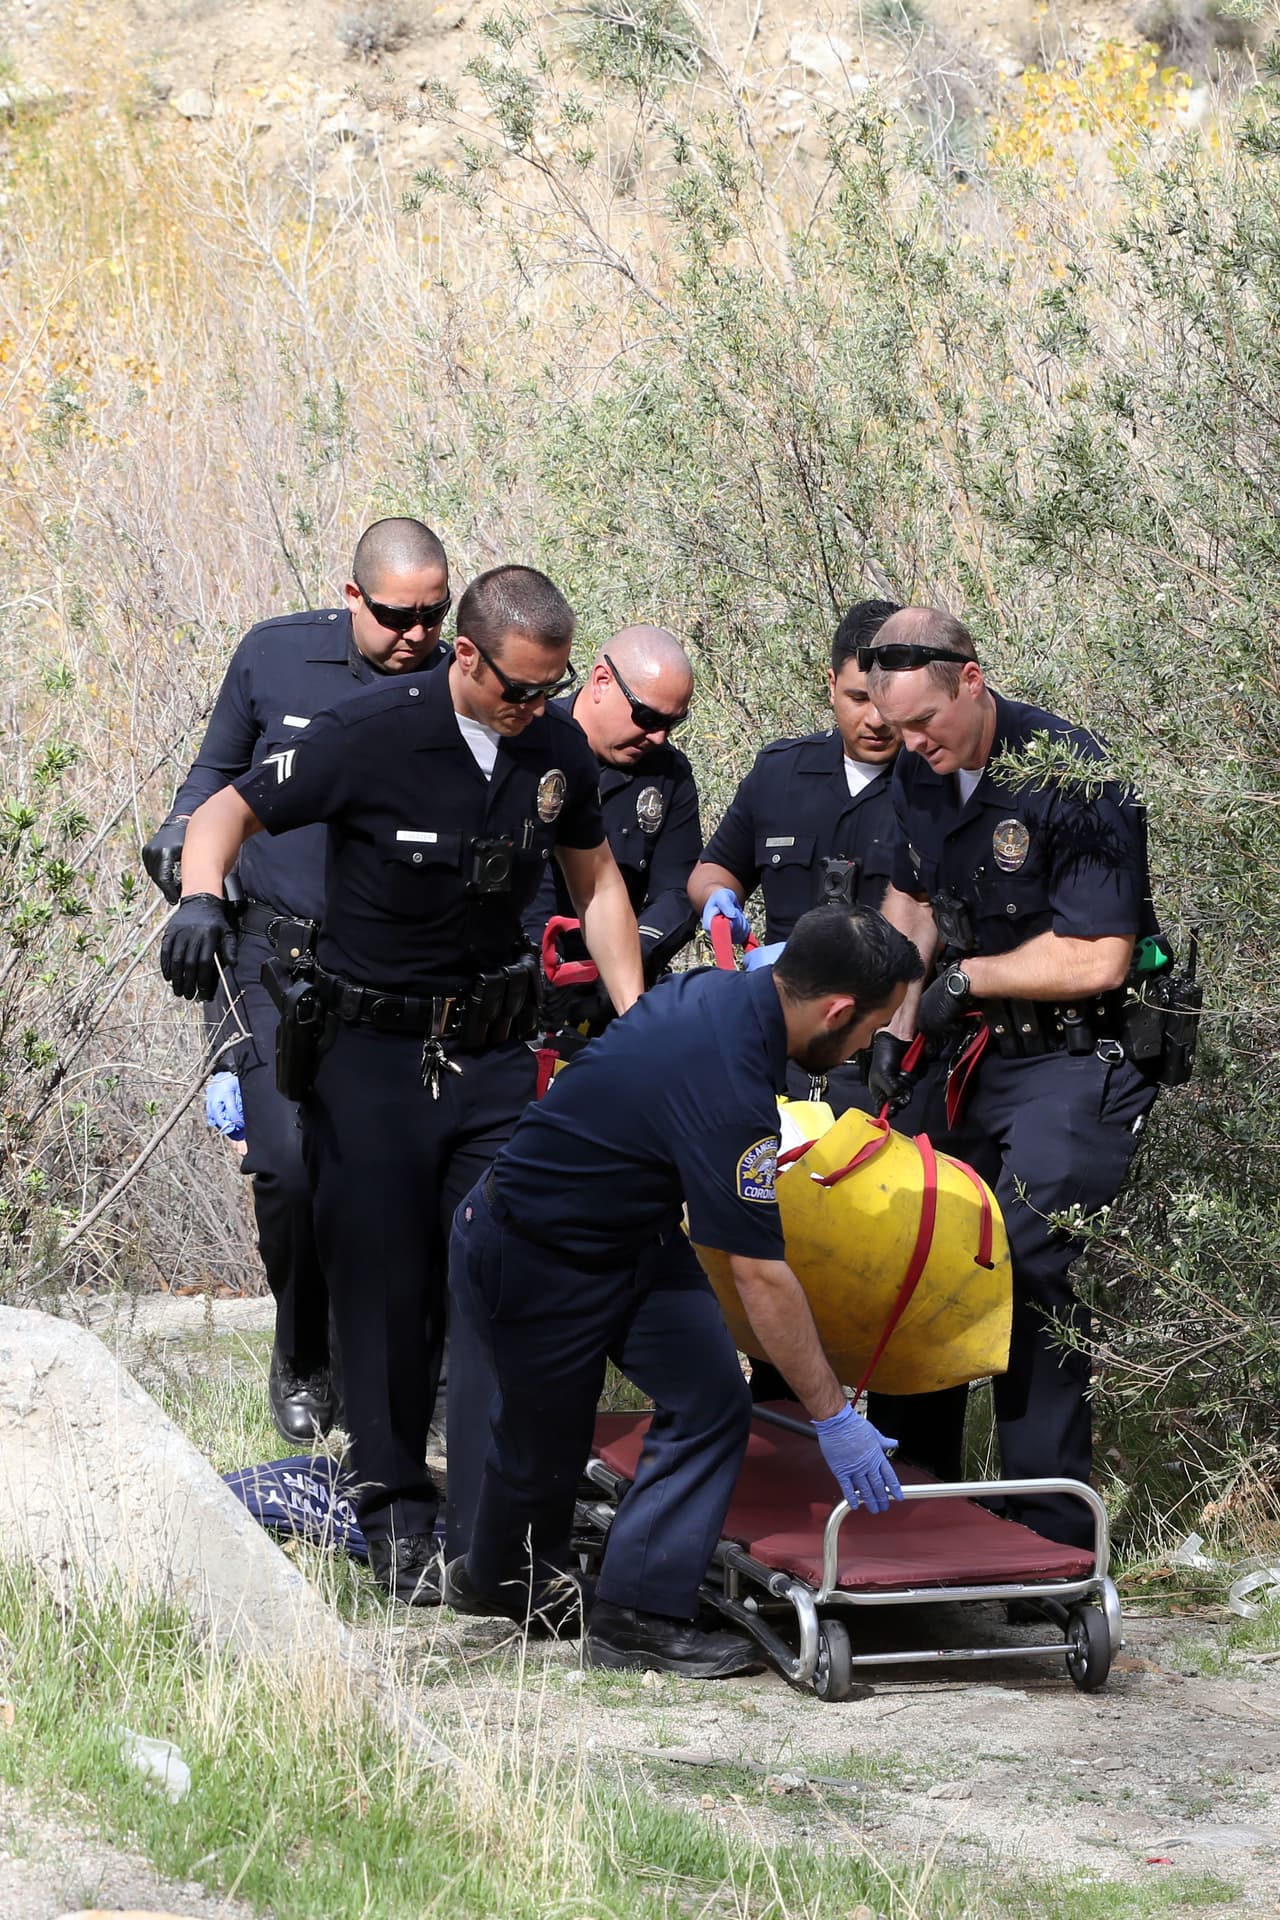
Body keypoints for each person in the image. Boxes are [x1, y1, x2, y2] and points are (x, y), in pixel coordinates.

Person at [157, 564, 646, 1605]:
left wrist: (638, 1018)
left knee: (499, 1276)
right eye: (516, 688)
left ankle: (492, 1527)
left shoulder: (551, 747)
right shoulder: (367, 730)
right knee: (383, 1290)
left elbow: (593, 879)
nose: (534, 710)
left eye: (550, 691)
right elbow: (223, 812)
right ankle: (394, 1516)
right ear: (464, 655)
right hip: (369, 1056)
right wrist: (201, 901)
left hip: (490, 1053)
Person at [444, 906, 924, 1676]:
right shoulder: (728, 1073)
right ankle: (501, 1578)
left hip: (633, 1236)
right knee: (543, 1444)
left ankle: (636, 1614)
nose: (871, 1043)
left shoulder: (742, 994)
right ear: (837, 1010)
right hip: (535, 1248)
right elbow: (760, 1274)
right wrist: (834, 1416)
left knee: (709, 1401)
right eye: (872, 1025)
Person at [142, 517, 453, 1442]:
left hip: (399, 964)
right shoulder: (276, 658)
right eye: (398, 615)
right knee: (285, 1167)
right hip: (272, 959)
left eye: (434, 615)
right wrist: (187, 872)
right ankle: (301, 1345)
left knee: (399, 1174)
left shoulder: (457, 680)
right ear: (354, 596)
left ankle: (403, 1373)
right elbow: (206, 783)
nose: (417, 635)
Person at [865, 606, 1162, 1546]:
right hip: (965, 1057)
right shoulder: (921, 769)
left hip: (1071, 1061)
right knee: (923, 1251)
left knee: (1026, 1270)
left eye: (926, 726)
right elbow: (911, 904)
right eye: (898, 730)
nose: (913, 746)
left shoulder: (1070, 775)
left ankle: (1047, 1541)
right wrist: (888, 1022)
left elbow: (1101, 957)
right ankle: (915, 1507)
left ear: (972, 681)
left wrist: (966, 977)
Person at [688, 598, 918, 1121]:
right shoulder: (779, 773)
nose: (877, 720)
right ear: (830, 683)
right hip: (776, 1055)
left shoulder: (936, 788)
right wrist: (717, 901)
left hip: (885, 1063)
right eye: (859, 698)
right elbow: (715, 868)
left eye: (889, 702)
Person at [523, 624, 701, 1035]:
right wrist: (534, 960)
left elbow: (677, 891)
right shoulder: (532, 742)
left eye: (673, 724)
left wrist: (629, 952)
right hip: (525, 986)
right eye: (647, 716)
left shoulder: (668, 773)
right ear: (602, 681)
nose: (657, 736)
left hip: (614, 998)